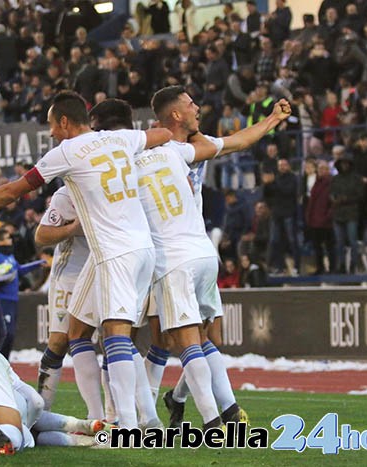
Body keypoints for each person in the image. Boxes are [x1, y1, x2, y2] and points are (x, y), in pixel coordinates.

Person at [0, 90, 172, 429]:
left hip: (116, 252)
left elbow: (11, 191)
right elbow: (162, 135)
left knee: (115, 335)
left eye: (51, 125)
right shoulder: (120, 138)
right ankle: (105, 417)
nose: (51, 133)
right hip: (141, 247)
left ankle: (133, 426)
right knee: (77, 330)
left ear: (63, 121)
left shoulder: (67, 151)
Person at [91, 98, 243, 429]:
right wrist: (273, 120)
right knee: (189, 338)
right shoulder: (178, 149)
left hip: (162, 257)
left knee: (133, 335)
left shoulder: (128, 160)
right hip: (200, 250)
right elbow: (237, 142)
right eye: (190, 104)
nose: (196, 108)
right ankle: (184, 407)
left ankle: (157, 418)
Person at [144, 85, 290, 428]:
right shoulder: (156, 150)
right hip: (170, 253)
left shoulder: (195, 146)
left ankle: (180, 399)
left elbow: (239, 140)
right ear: (176, 114)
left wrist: (272, 120)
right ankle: (217, 415)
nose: (198, 108)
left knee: (206, 337)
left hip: (196, 250)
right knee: (170, 340)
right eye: (191, 104)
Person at [33, 187, 89, 413]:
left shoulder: (118, 184)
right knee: (59, 341)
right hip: (70, 273)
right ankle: (40, 412)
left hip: (106, 266)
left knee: (115, 338)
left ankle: (114, 417)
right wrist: (73, 228)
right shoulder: (67, 194)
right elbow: (42, 235)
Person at [0, 227, 46, 359]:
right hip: (1, 299)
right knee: (6, 333)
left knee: (9, 334)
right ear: (0, 242)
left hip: (12, 299)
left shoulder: (10, 256)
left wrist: (36, 264)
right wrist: (6, 278)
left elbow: (18, 270)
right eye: (7, 238)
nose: (10, 240)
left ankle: (3, 362)